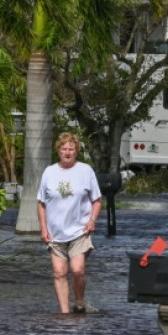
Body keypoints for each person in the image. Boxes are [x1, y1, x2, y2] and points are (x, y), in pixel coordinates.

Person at [37, 132, 102, 314]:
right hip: (55, 232)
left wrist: (92, 220)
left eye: (71, 149)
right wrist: (43, 228)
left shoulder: (85, 170)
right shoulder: (49, 172)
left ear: (76, 151)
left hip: (79, 231)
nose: (67, 152)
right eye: (64, 149)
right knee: (59, 272)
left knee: (77, 269)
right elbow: (41, 203)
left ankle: (79, 303)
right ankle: (65, 315)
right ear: (58, 150)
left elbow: (97, 200)